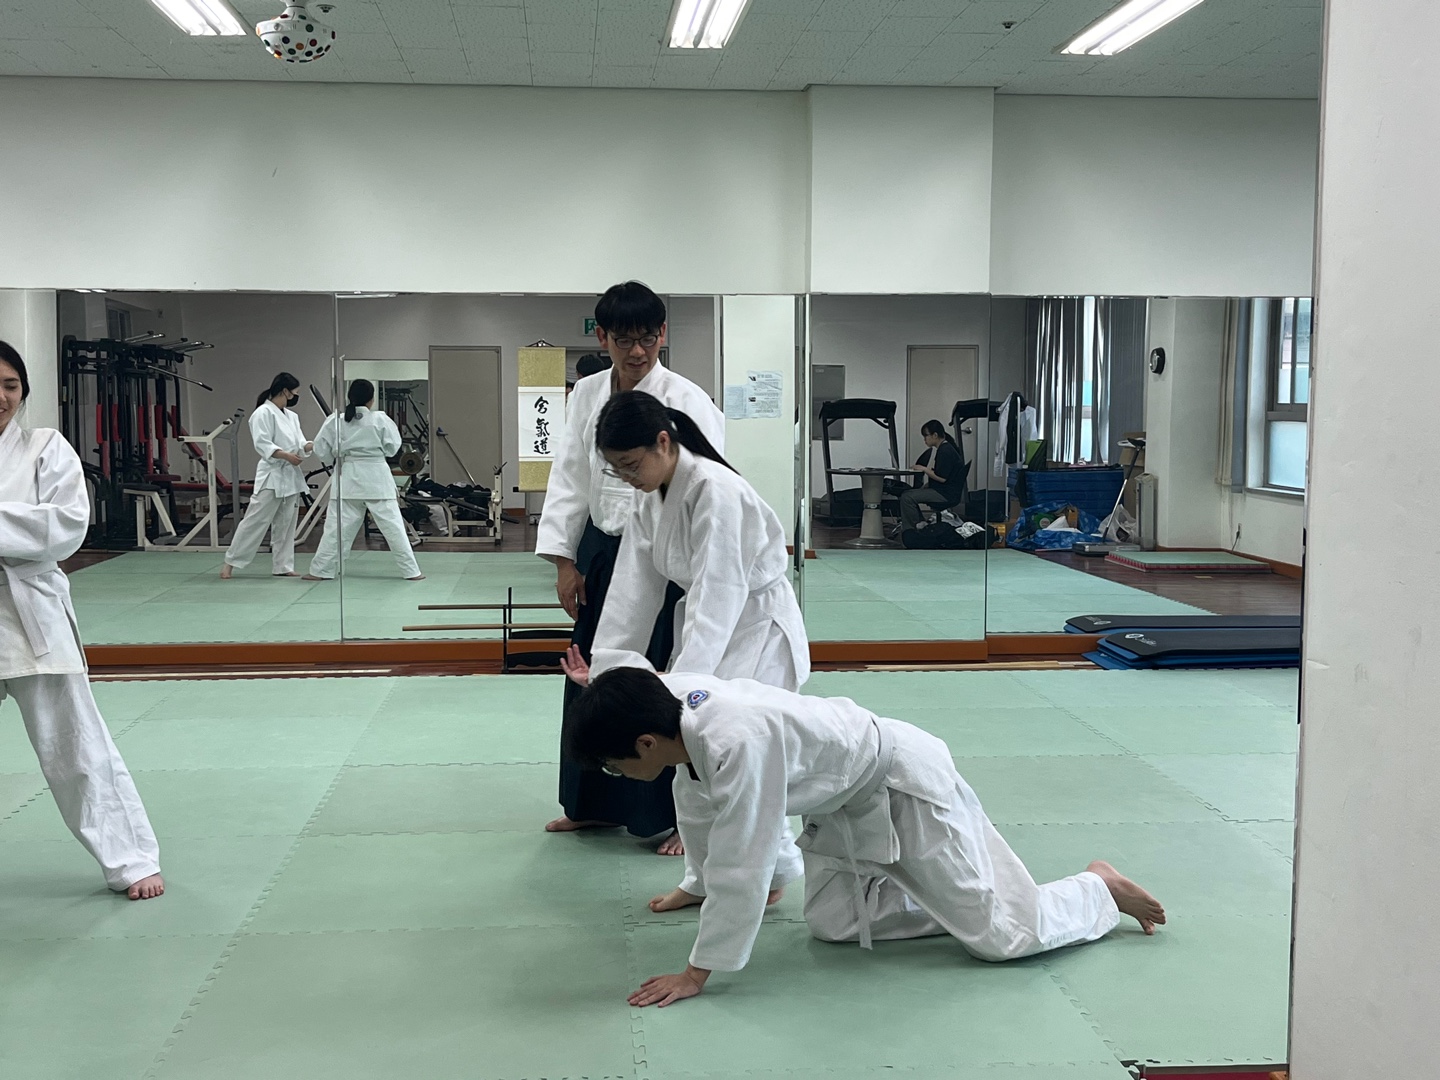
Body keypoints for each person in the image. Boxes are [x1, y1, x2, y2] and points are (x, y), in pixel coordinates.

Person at [564, 661, 1166, 1008]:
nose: (620, 776)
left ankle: (1095, 890)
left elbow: (742, 856)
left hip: (902, 784)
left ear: (646, 743)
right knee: (835, 924)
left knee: (1000, 937)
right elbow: (700, 808)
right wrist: (698, 885)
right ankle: (946, 893)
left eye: (616, 766)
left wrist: (696, 972)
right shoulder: (669, 703)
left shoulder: (734, 741)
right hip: (840, 805)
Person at [586, 389, 809, 907]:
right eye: (617, 470)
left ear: (664, 442)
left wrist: (682, 686)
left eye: (632, 465)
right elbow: (633, 587)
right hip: (711, 629)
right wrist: (611, 666)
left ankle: (771, 875)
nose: (628, 477)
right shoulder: (652, 495)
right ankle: (702, 877)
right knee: (690, 763)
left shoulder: (717, 490)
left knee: (749, 758)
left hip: (756, 630)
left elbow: (720, 590)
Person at [537, 282, 722, 855]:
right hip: (599, 546)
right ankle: (591, 803)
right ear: (602, 337)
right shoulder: (586, 395)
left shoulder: (687, 399)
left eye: (647, 338)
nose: (637, 351)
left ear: (663, 334)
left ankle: (677, 817)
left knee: (660, 681)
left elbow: (710, 488)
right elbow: (569, 476)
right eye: (624, 340)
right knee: (591, 674)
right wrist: (564, 561)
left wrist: (692, 574)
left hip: (666, 556)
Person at [0, 341, 165, 900]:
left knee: (73, 742)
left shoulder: (45, 447)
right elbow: (37, 523)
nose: (1, 396)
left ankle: (130, 858)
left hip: (29, 610)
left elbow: (66, 525)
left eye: (10, 385)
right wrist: (19, 523)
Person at [303, 379, 423, 582]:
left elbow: (321, 450)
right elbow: (392, 448)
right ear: (371, 399)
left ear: (350, 397)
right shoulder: (380, 419)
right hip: (377, 478)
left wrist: (338, 455)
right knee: (394, 528)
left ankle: (321, 570)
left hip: (348, 477)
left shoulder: (336, 420)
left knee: (335, 530)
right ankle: (411, 572)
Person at [220, 372, 313, 579]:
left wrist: (311, 445)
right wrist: (286, 456)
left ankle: (283, 566)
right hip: (272, 474)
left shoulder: (292, 416)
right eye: (295, 392)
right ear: (285, 391)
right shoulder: (262, 413)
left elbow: (300, 443)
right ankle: (230, 562)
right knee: (255, 520)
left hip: (290, 475)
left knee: (286, 524)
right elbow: (263, 444)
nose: (296, 396)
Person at [898, 419, 966, 532]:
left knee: (907, 497)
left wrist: (924, 469)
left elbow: (942, 478)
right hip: (947, 491)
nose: (924, 439)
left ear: (935, 435)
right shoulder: (946, 448)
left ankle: (912, 531)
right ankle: (921, 525)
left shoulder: (945, 451)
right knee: (910, 494)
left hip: (945, 494)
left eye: (926, 436)